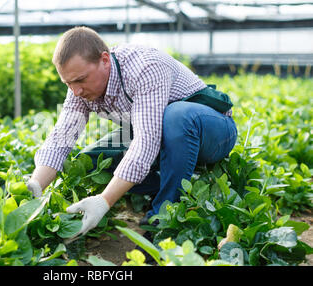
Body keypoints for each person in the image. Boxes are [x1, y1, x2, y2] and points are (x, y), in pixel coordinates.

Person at [26, 26, 237, 240]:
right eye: (68, 83)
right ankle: (180, 180)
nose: (76, 91)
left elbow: (146, 141)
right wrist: (35, 185)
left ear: (105, 60)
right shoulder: (79, 88)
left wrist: (104, 201)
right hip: (166, 137)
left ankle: (164, 219)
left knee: (176, 116)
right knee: (92, 161)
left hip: (214, 133)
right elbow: (61, 138)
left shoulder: (145, 67)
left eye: (80, 80)